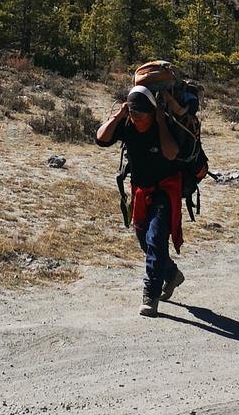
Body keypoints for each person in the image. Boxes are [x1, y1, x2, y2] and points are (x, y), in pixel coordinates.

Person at [96, 84, 186, 317]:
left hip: (165, 191)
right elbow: (101, 138)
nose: (136, 117)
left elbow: (171, 153)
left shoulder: (160, 126)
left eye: (140, 114)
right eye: (133, 112)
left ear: (151, 112)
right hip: (140, 192)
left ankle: (150, 296)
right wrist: (119, 115)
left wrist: (160, 121)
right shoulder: (127, 124)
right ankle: (172, 274)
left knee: (156, 239)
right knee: (144, 240)